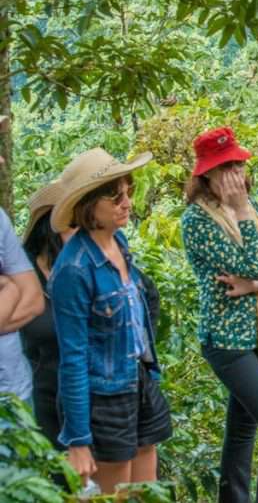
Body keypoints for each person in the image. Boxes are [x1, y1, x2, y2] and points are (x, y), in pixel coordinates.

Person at [180, 127, 258, 503]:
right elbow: (253, 261)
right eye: (225, 168)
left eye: (237, 166)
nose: (235, 176)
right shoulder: (197, 222)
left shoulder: (253, 207)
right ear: (205, 176)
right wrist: (243, 211)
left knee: (242, 431)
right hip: (226, 341)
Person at [49, 148, 172, 494]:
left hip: (138, 376)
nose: (126, 203)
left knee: (146, 492)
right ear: (88, 207)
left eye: (129, 191)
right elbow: (71, 358)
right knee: (113, 490)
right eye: (114, 196)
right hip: (104, 394)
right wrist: (78, 440)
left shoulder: (118, 240)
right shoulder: (74, 270)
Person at [19, 179, 77, 448]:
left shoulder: (87, 266)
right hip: (40, 398)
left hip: (85, 397)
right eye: (72, 225)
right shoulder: (21, 273)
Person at [0, 114, 45, 405]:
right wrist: (10, 289)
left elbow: (33, 299)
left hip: (16, 395)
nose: (2, 160)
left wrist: (11, 288)